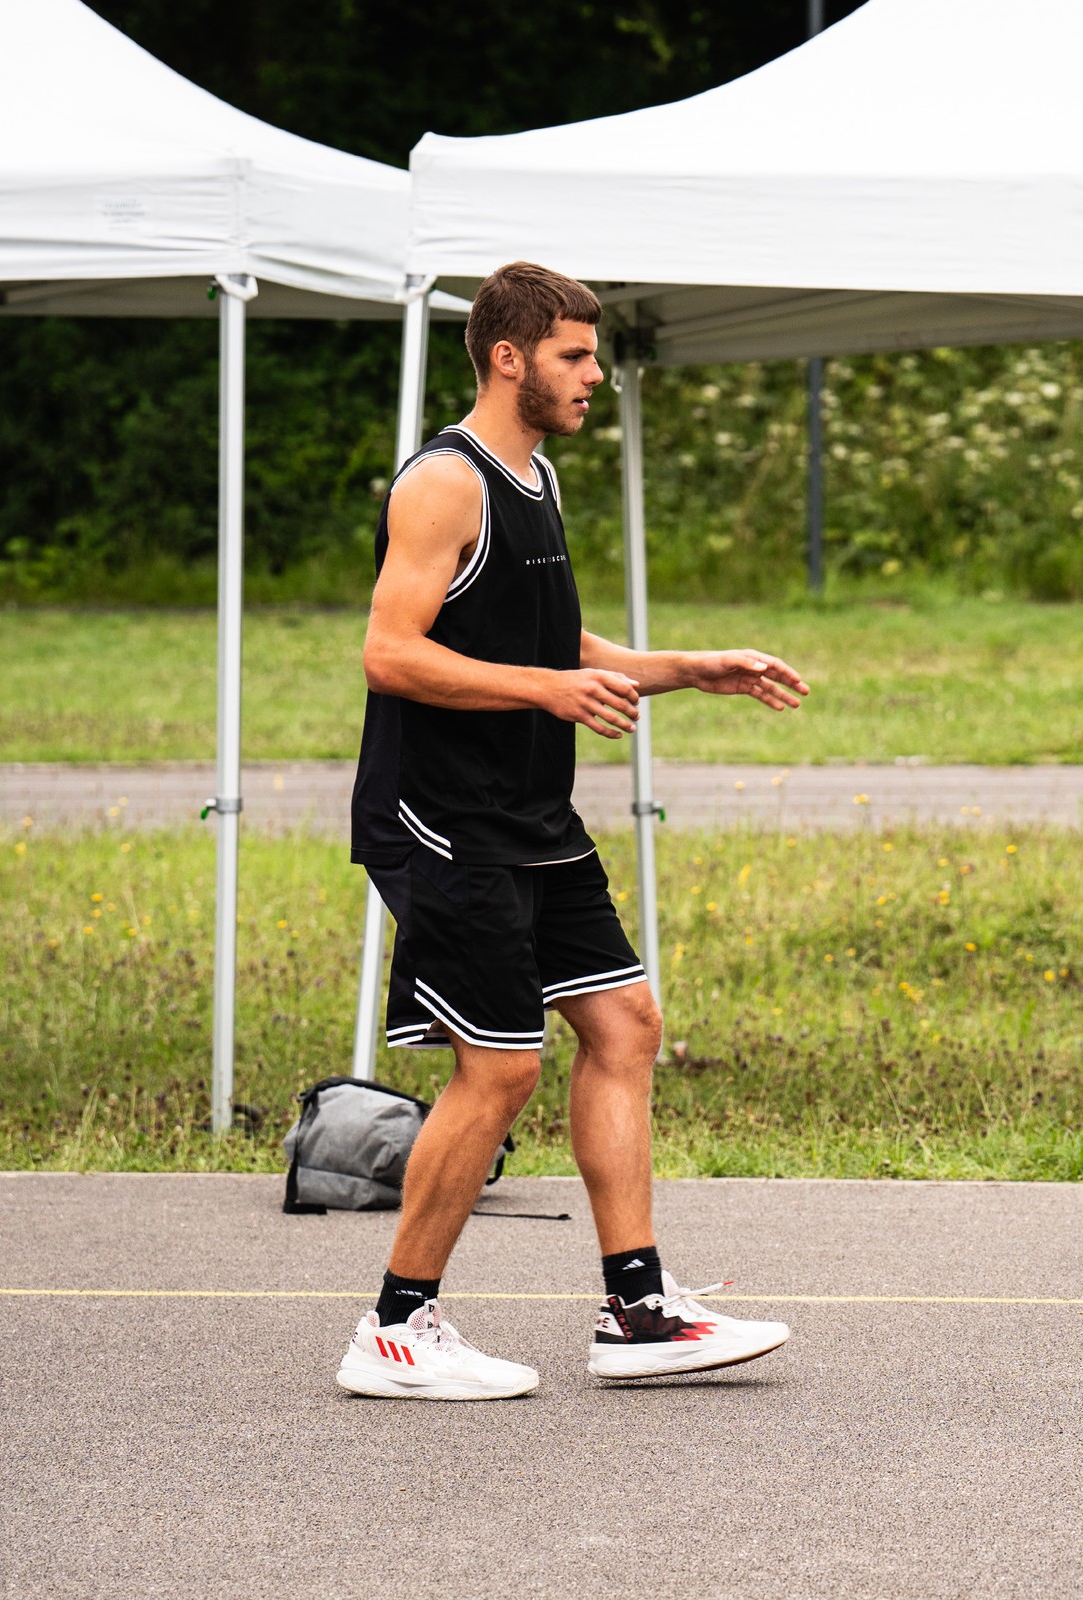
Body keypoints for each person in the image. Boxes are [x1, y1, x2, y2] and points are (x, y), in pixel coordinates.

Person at [337, 261, 812, 1400]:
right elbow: (391, 651)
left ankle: (638, 1309)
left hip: (531, 815)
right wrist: (546, 694)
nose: (595, 375)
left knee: (626, 1023)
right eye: (574, 356)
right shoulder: (445, 484)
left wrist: (688, 668)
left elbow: (556, 637)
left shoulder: (533, 475)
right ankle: (396, 1329)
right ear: (510, 358)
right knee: (499, 1068)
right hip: (446, 821)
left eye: (592, 356)